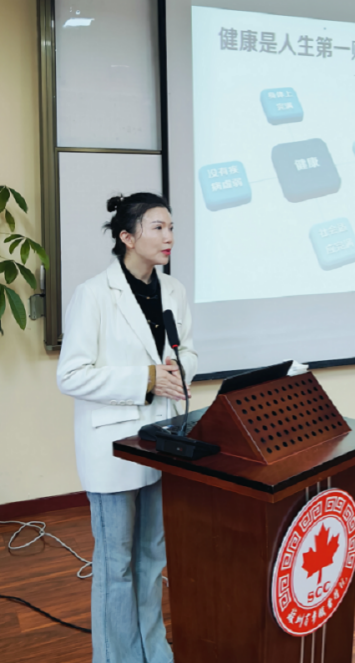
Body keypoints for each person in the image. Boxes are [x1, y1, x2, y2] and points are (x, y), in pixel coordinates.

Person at [57, 193, 197, 663]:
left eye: (171, 227)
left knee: (152, 560)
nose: (169, 237)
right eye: (158, 228)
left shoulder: (174, 291)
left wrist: (178, 372)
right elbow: (71, 376)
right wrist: (146, 379)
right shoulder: (93, 294)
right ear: (127, 237)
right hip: (112, 447)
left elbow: (187, 351)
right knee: (115, 565)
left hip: (161, 440)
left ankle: (154, 653)